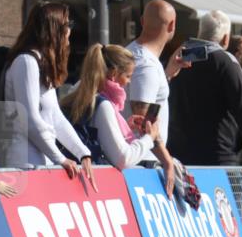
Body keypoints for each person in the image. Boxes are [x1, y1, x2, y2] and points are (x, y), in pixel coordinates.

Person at [2, 2, 96, 188]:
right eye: (67, 25)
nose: (70, 30)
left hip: (42, 163)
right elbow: (29, 119)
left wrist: (83, 153)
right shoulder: (26, 62)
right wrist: (61, 158)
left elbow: (55, 117)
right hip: (25, 165)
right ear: (54, 29)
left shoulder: (41, 63)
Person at [168, 10, 242, 175]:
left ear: (200, 31)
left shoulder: (179, 59)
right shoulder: (225, 62)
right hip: (218, 156)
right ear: (225, 38)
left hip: (180, 155)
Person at [60, 44, 173, 191]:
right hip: (92, 186)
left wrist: (123, 126)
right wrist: (149, 138)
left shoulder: (79, 92)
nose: (129, 82)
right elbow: (123, 159)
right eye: (128, 76)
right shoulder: (103, 105)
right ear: (114, 74)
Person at [126, 0, 190, 148]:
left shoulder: (132, 52)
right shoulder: (146, 64)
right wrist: (167, 159)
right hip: (143, 157)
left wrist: (167, 74)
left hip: (137, 154)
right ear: (172, 25)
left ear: (142, 21)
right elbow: (144, 125)